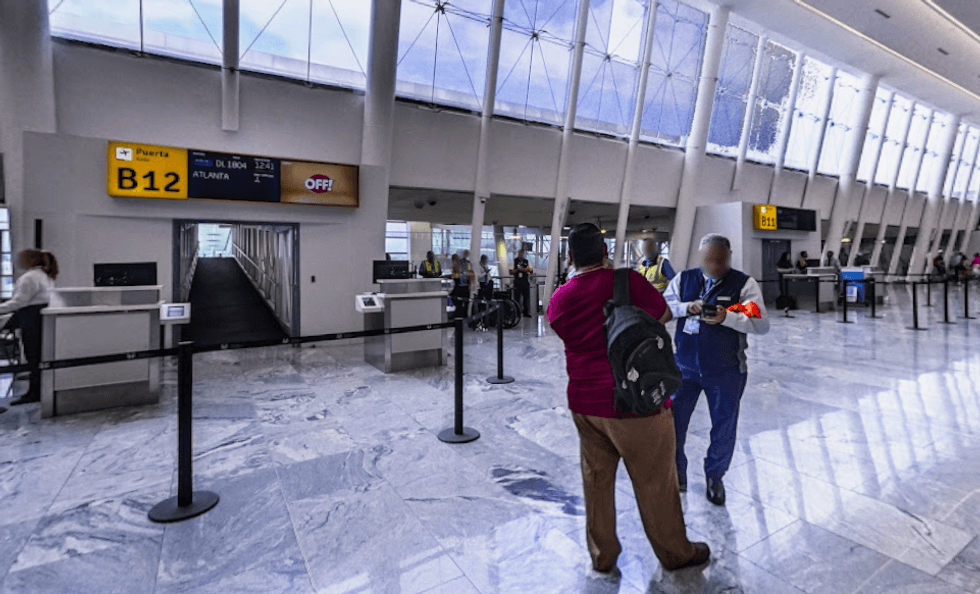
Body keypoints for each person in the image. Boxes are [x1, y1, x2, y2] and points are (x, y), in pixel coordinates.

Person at [547, 223, 710, 573]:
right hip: (635, 403)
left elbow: (559, 326)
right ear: (605, 252)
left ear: (571, 257)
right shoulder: (627, 282)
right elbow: (663, 315)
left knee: (596, 482)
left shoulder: (560, 297)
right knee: (656, 483)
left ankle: (602, 555)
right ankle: (675, 553)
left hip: (585, 406)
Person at [664, 234, 770, 506]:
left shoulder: (743, 285)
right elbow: (664, 308)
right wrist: (687, 307)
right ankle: (678, 472)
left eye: (721, 261)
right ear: (699, 258)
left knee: (724, 425)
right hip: (684, 368)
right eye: (709, 260)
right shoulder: (684, 279)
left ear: (729, 257)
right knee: (674, 424)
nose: (715, 266)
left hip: (726, 370)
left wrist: (728, 318)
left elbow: (761, 324)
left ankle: (715, 476)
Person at [0, 250, 59, 406]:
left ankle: (33, 393)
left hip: (31, 319)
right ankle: (38, 391)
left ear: (31, 260)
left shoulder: (29, 277)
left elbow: (19, 302)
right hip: (39, 318)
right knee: (38, 356)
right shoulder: (45, 275)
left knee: (33, 356)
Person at [510, 249, 533, 318]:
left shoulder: (526, 261)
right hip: (517, 281)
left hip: (525, 281)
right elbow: (511, 271)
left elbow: (531, 271)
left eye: (522, 254)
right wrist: (518, 270)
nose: (521, 255)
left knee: (526, 298)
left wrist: (525, 270)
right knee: (517, 297)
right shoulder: (514, 261)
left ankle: (526, 312)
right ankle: (516, 312)